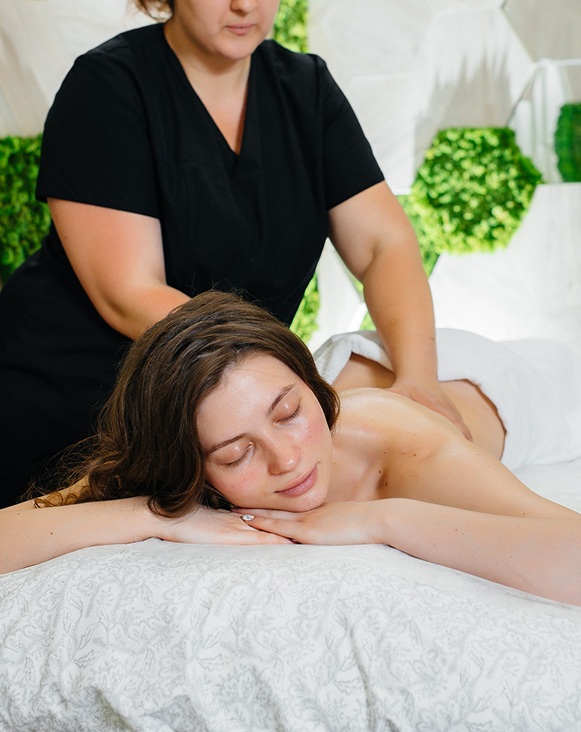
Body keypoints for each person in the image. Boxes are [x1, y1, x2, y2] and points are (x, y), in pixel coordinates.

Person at [0, 0, 469, 508]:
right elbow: (129, 292)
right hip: (65, 401)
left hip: (222, 415)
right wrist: (271, 378)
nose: (245, 5)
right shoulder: (107, 86)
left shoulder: (305, 88)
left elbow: (383, 244)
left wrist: (418, 378)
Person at [1, 291, 580, 607]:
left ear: (310, 387)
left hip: (501, 378)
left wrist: (383, 519)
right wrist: (153, 515)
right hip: (313, 376)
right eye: (236, 456)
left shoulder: (408, 454)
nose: (287, 460)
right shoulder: (218, 417)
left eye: (290, 415)